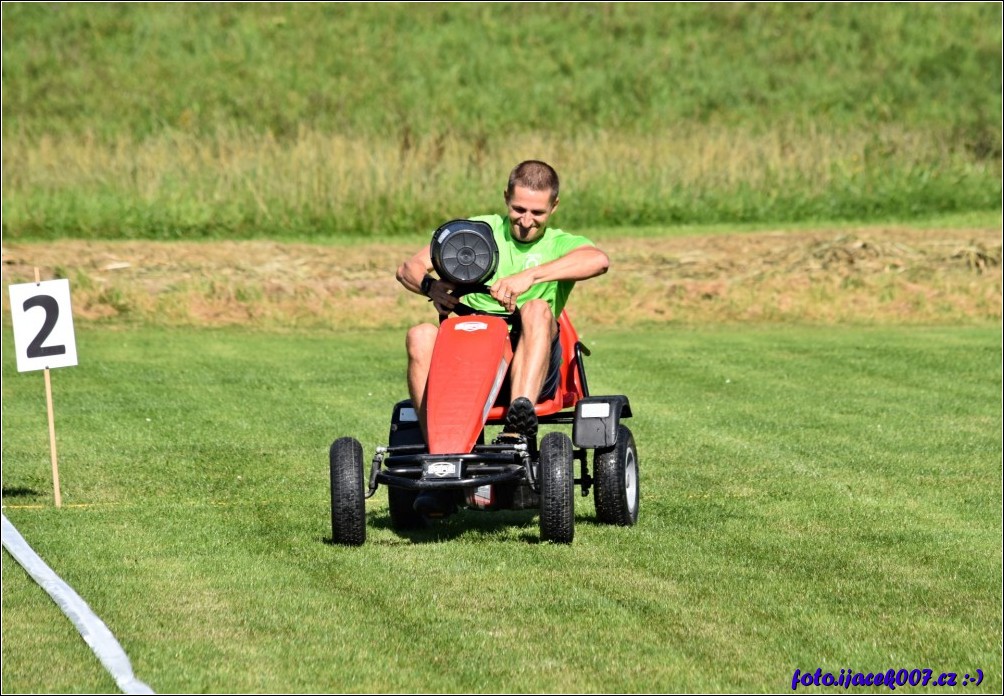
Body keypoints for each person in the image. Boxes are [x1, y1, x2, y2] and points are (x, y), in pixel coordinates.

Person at [396, 159, 610, 443]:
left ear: (554, 206)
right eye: (518, 209)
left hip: (530, 365)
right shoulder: (478, 231)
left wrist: (530, 277)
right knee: (420, 334)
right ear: (506, 197)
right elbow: (407, 268)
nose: (526, 221)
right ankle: (438, 448)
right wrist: (430, 287)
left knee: (536, 309)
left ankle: (516, 430)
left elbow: (599, 260)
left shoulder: (559, 244)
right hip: (470, 355)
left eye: (537, 212)